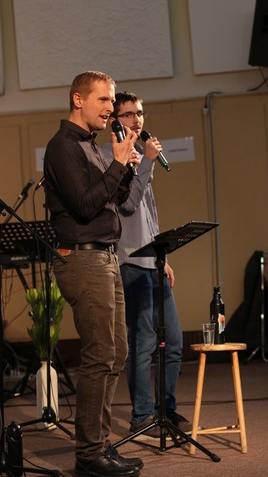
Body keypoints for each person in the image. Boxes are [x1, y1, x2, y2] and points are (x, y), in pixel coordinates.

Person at [44, 71, 143, 477]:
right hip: (83, 260)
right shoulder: (63, 147)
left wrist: (127, 167)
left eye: (112, 100)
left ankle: (99, 445)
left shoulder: (92, 146)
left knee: (116, 353)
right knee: (99, 354)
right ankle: (88, 455)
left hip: (105, 258)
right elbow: (85, 206)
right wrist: (116, 164)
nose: (110, 108)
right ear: (78, 99)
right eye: (103, 100)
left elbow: (114, 200)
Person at [102, 91, 191, 438]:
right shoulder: (113, 157)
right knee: (142, 343)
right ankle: (142, 415)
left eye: (140, 113)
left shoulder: (140, 156)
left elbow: (147, 214)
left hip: (153, 261)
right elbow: (126, 206)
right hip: (130, 263)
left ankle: (165, 410)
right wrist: (148, 163)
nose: (137, 120)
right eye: (128, 114)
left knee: (174, 341)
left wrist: (162, 257)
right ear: (114, 120)